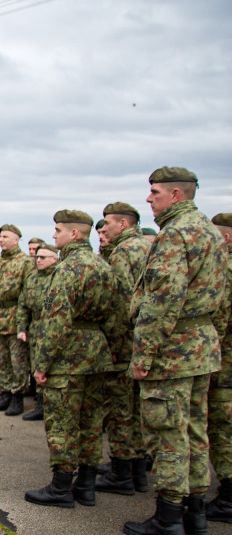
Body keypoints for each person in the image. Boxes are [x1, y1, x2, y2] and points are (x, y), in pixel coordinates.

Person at [124, 167, 228, 534]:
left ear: (176, 195)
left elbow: (162, 301)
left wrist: (143, 355)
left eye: (154, 192)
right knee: (194, 430)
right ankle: (194, 514)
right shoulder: (210, 233)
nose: (149, 199)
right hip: (201, 346)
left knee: (166, 432)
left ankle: (168, 519)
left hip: (173, 351)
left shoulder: (176, 235)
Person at [25, 209, 114, 509]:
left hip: (68, 356)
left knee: (62, 422)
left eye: (58, 230)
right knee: (91, 421)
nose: (54, 235)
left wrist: (42, 364)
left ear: (74, 234)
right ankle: (86, 485)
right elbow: (113, 314)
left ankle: (61, 487)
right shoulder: (103, 266)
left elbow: (56, 322)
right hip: (96, 353)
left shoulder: (66, 269)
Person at [95, 202, 151, 495]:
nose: (104, 229)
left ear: (123, 224)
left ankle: (121, 473)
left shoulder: (122, 252)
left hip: (125, 342)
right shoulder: (148, 247)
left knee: (119, 409)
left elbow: (120, 304)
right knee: (138, 407)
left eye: (108, 223)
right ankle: (138, 471)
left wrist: (114, 345)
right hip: (144, 340)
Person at [0, 224, 34, 416]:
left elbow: (27, 294)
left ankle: (17, 397)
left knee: (17, 362)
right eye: (0, 237)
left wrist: (23, 323)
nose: (1, 240)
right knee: (0, 360)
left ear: (16, 239)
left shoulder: (25, 262)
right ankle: (3, 395)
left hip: (14, 316)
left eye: (5, 237)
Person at [206, 212, 232, 523]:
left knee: (224, 429)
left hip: (225, 360)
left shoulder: (223, 268)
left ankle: (227, 499)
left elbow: (220, 318)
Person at [16, 242, 60, 421]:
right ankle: (41, 405)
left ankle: (54, 406)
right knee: (36, 365)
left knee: (53, 367)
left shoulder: (59, 276)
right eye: (37, 257)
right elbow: (23, 305)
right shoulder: (32, 278)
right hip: (35, 327)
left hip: (53, 326)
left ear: (54, 258)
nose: (38, 260)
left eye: (43, 257)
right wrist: (22, 328)